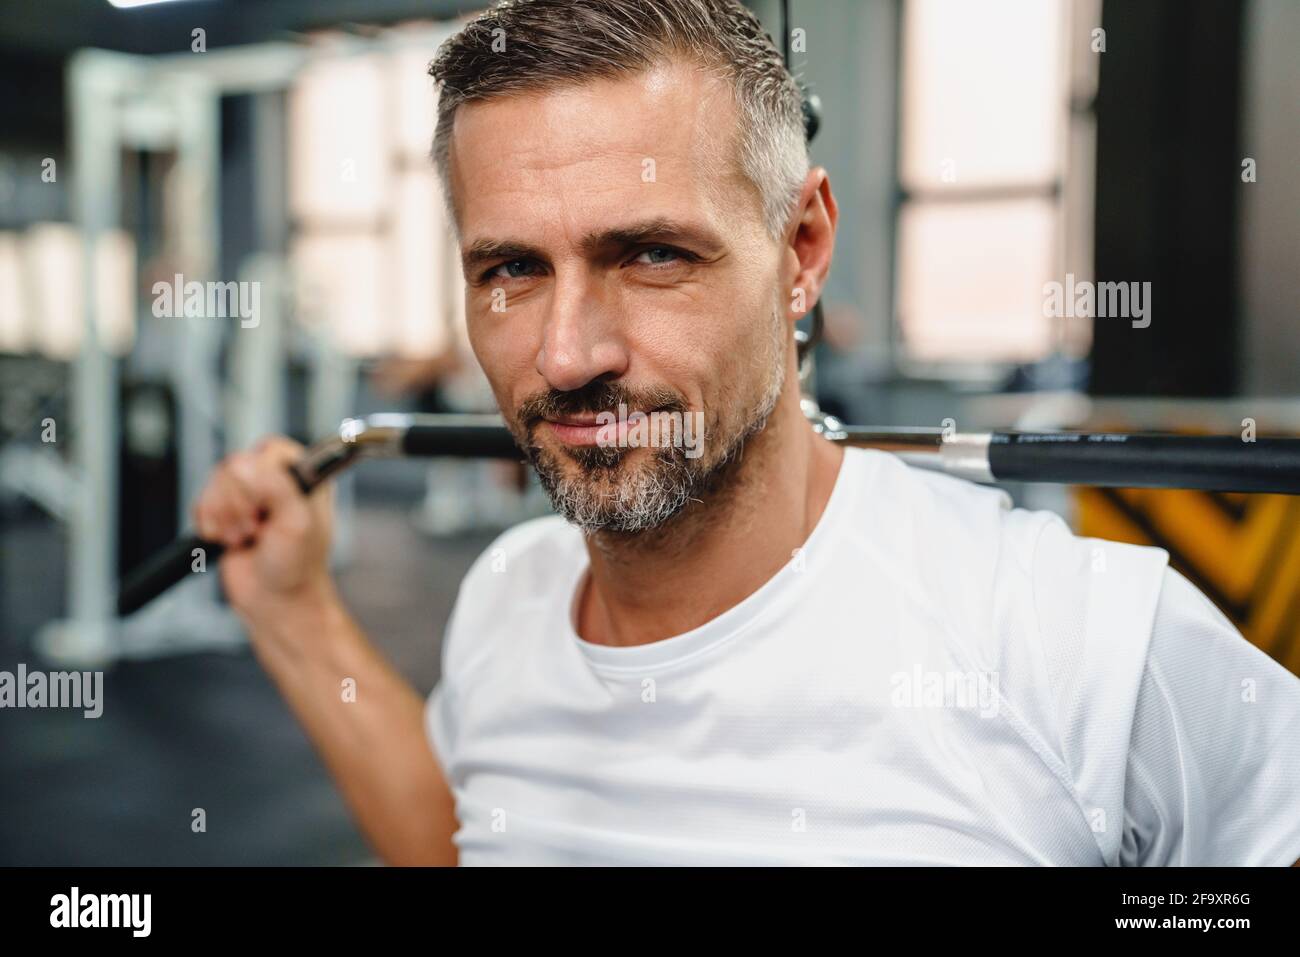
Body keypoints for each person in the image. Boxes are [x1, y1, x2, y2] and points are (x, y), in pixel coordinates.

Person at [191, 0, 1300, 865]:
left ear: (802, 249)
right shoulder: (506, 599)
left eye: (651, 255)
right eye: (513, 268)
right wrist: (294, 614)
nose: (568, 354)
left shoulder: (1078, 642)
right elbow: (465, 847)